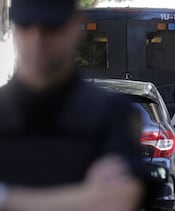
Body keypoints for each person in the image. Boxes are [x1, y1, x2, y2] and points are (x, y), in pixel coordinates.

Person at [0, 0, 159, 210]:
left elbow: (118, 199)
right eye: (26, 25)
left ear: (76, 26)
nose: (37, 39)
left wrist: (5, 197)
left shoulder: (111, 113)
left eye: (51, 27)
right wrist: (85, 198)